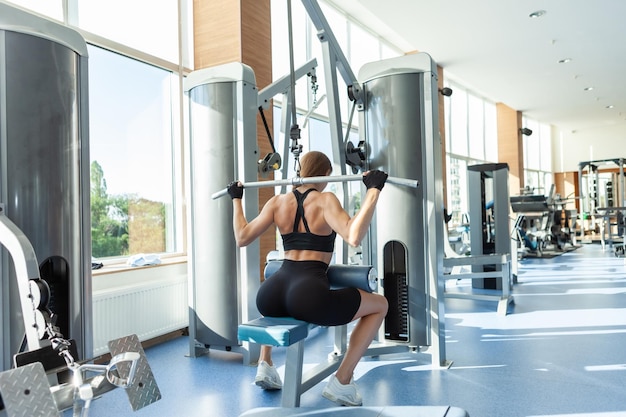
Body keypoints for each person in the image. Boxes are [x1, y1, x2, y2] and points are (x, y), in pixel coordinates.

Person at [227, 151, 389, 407]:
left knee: (281, 303)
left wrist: (236, 199)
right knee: (380, 305)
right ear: (324, 175)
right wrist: (373, 190)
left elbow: (242, 237)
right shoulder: (325, 200)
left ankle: (265, 364)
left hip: (271, 294)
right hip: (308, 294)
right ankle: (342, 381)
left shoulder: (277, 202)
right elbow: (354, 235)